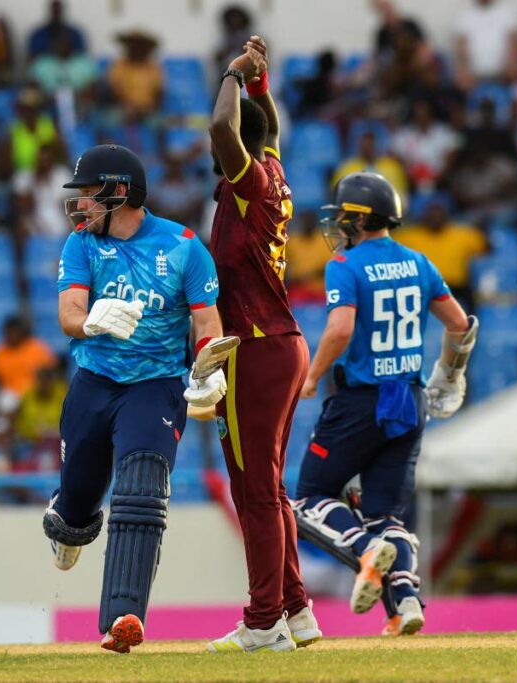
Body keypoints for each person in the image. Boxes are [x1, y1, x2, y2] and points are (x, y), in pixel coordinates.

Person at [43, 144, 230, 654]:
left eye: (87, 195)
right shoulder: (81, 244)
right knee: (77, 506)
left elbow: (207, 324)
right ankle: (69, 521)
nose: (80, 205)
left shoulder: (185, 246)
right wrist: (92, 321)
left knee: (142, 488)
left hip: (156, 385)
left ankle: (122, 616)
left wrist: (209, 368)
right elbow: (68, 314)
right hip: (95, 380)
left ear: (118, 192)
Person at [292, 172, 476, 636]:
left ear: (358, 218)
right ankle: (406, 603)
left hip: (361, 400)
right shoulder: (418, 261)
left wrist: (311, 378)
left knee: (310, 497)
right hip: (410, 399)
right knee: (386, 516)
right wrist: (449, 374)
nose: (336, 226)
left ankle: (362, 549)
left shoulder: (346, 265)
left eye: (342, 217)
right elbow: (459, 324)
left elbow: (339, 330)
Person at [206, 35, 322, 653]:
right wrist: (260, 82)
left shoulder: (248, 182)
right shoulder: (272, 171)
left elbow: (224, 126)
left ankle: (262, 622)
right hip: (280, 342)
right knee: (269, 487)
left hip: (255, 348)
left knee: (254, 490)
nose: (212, 148)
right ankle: (296, 611)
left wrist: (231, 72)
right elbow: (258, 124)